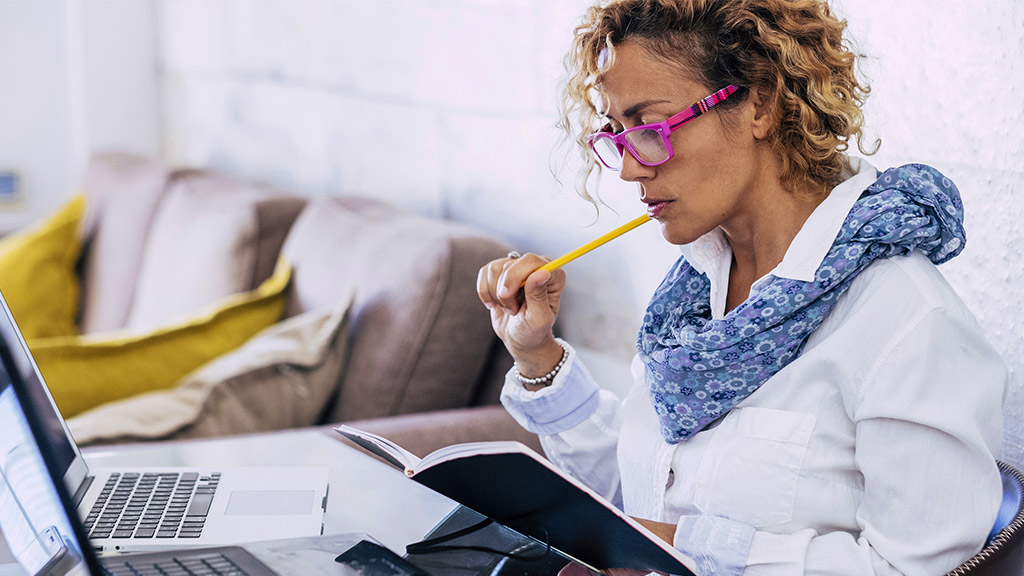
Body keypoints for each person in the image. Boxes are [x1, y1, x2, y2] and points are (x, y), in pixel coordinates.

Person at [476, 0, 1007, 574]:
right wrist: (537, 357)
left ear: (761, 103)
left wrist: (689, 546)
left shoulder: (907, 322)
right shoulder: (691, 296)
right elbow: (646, 495)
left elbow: (915, 569)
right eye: (617, 133)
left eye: (650, 126)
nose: (630, 168)